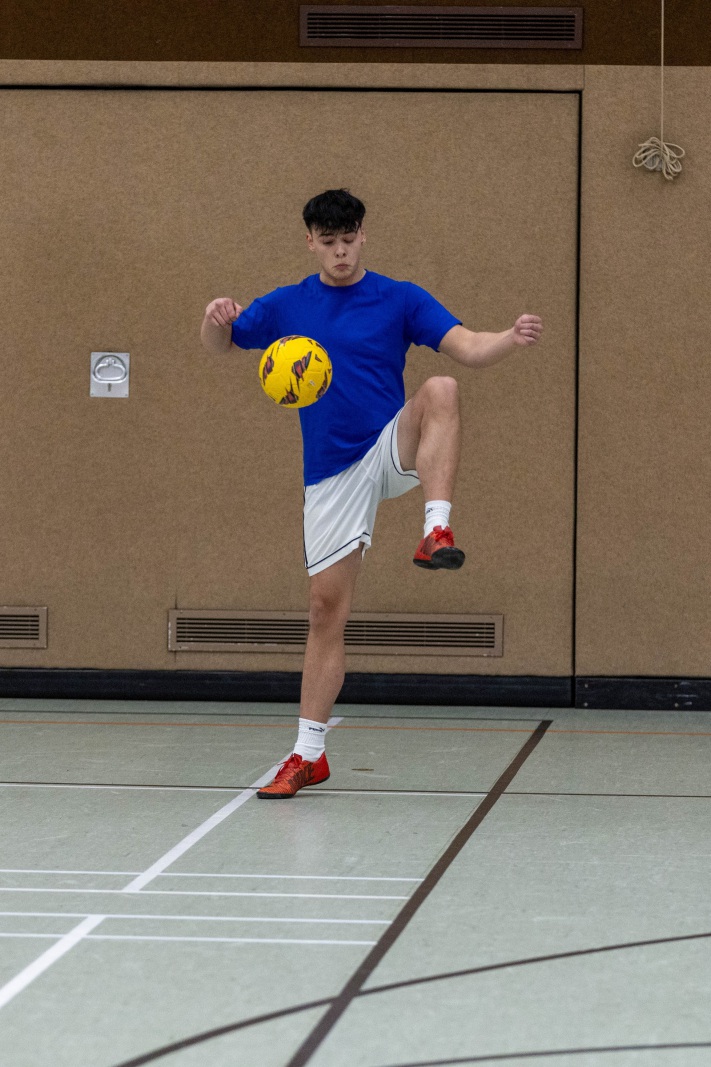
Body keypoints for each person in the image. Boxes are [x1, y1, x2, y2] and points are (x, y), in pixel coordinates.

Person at [200, 188, 542, 798]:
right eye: (328, 242)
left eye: (349, 240)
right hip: (332, 473)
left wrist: (508, 338)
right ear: (310, 243)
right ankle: (309, 755)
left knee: (441, 388)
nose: (340, 252)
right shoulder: (287, 305)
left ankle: (436, 527)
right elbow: (222, 344)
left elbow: (467, 346)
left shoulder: (399, 297)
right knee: (325, 610)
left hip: (389, 445)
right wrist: (214, 317)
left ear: (363, 236)